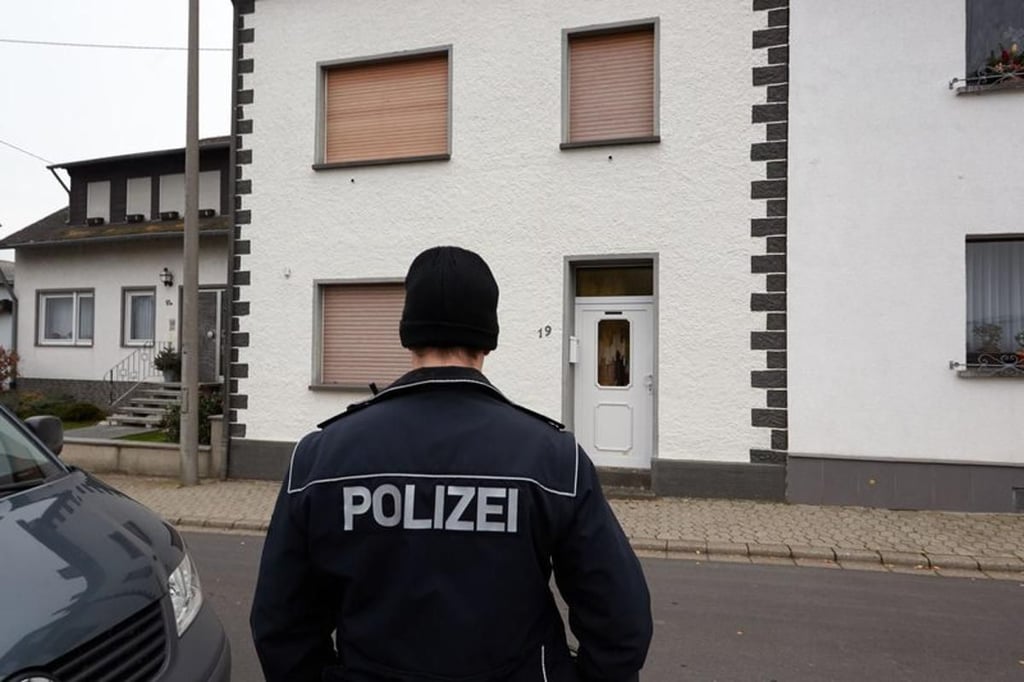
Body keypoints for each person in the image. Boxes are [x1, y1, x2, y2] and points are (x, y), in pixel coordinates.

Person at [251, 246, 653, 682]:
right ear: (488, 340)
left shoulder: (321, 456)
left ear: (408, 334)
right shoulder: (552, 458)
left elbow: (281, 625)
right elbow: (621, 622)